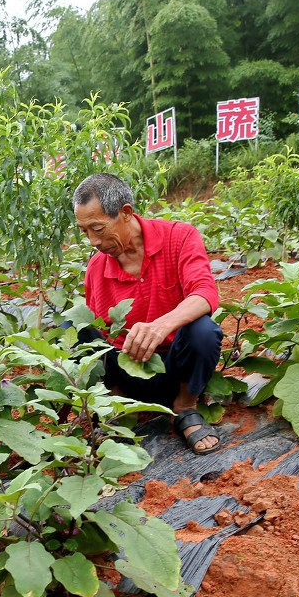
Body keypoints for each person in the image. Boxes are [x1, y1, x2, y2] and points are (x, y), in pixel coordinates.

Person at [72, 173, 224, 454]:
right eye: (85, 231)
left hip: (177, 366)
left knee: (203, 330)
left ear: (126, 213)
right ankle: (117, 405)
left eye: (98, 228)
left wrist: (160, 326)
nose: (92, 240)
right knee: (80, 328)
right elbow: (102, 333)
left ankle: (185, 407)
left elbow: (205, 293)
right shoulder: (96, 267)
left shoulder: (179, 237)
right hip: (129, 370)